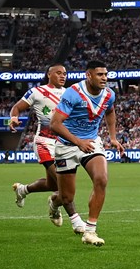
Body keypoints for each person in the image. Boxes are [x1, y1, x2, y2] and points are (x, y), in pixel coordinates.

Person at [50, 60, 125, 246]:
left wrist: (113, 137)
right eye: (100, 75)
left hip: (91, 143)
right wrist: (78, 142)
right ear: (88, 75)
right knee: (66, 197)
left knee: (101, 178)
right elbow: (55, 124)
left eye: (106, 74)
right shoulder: (73, 93)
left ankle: (90, 231)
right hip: (67, 145)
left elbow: (110, 111)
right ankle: (54, 202)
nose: (104, 78)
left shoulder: (109, 94)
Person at [8, 65, 85, 234]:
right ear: (49, 74)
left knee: (52, 184)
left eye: (65, 73)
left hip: (64, 145)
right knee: (62, 183)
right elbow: (17, 107)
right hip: (44, 142)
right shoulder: (37, 92)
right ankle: (76, 221)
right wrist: (13, 118)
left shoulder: (70, 93)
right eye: (58, 73)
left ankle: (24, 190)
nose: (63, 76)